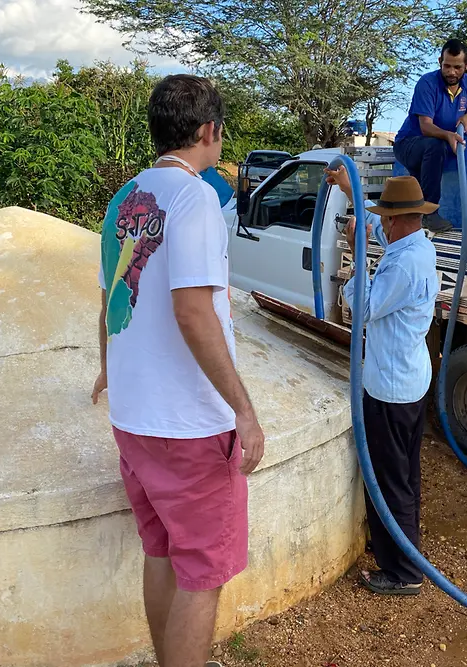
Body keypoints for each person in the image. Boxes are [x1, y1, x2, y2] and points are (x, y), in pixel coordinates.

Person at [91, 74, 265, 667]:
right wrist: (243, 410)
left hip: (134, 419)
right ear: (209, 130)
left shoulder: (124, 199)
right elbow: (193, 312)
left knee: (160, 551)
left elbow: (109, 298)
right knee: (202, 576)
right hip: (188, 428)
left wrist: (108, 368)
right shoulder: (196, 199)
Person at [326, 165, 439, 596]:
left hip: (390, 391)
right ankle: (397, 544)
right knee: (403, 476)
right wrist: (351, 196)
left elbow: (364, 308)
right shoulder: (416, 247)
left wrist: (356, 261)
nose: (381, 224)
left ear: (397, 220)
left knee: (391, 481)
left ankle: (403, 573)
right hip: (408, 383)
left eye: (384, 218)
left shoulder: (403, 266)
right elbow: (378, 233)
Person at [393, 38, 467, 233]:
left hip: (436, 148)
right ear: (440, 61)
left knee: (436, 149)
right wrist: (449, 135)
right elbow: (426, 127)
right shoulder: (427, 83)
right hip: (409, 144)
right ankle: (429, 213)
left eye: (457, 67)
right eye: (446, 66)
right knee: (435, 146)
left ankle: (418, 209)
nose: (451, 72)